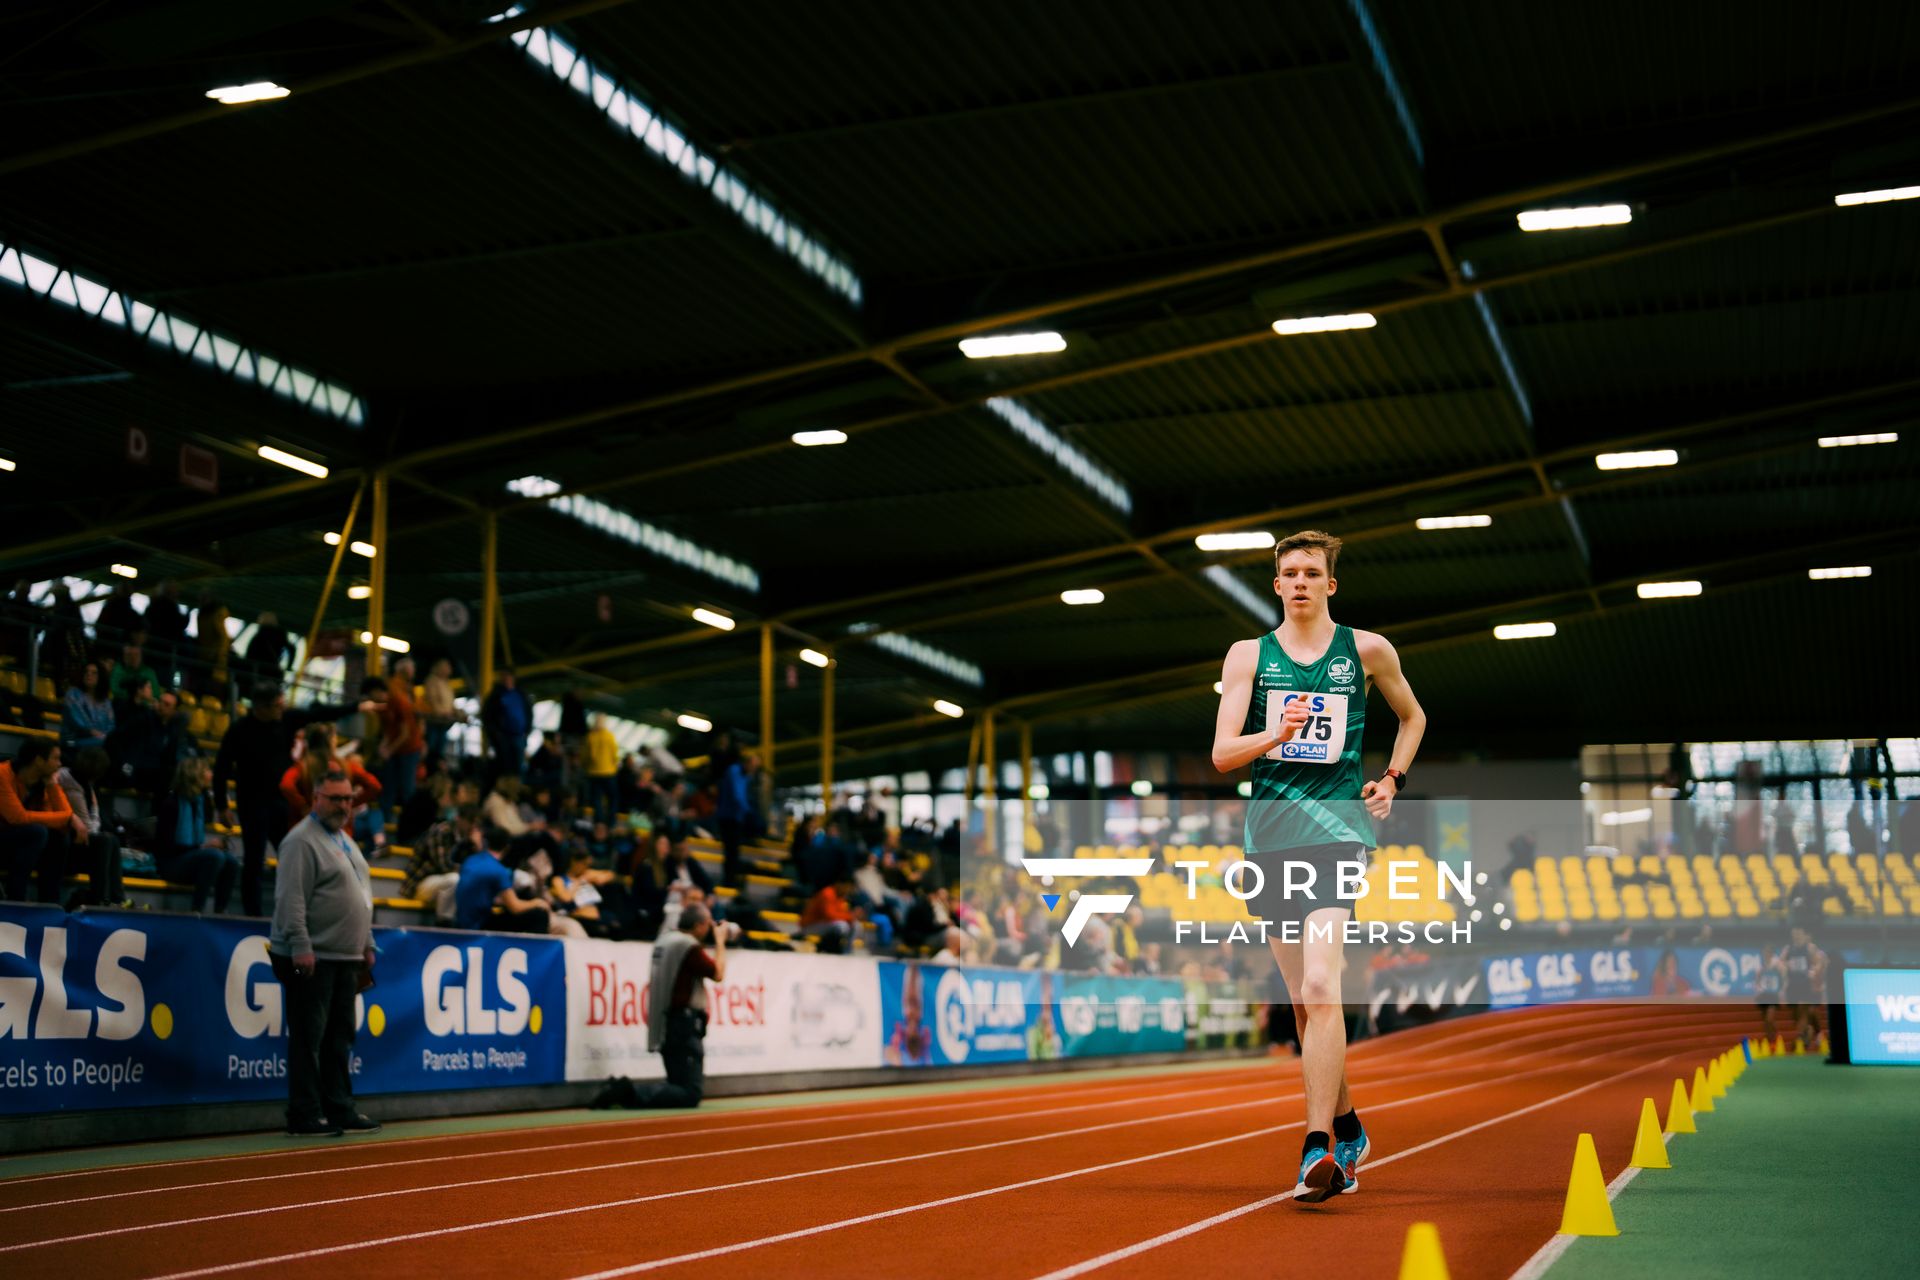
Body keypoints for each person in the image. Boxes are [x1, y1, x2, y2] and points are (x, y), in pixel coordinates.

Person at [1211, 529, 1426, 1203]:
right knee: (1305, 1001)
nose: (1300, 581)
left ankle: (1314, 1150)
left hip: (1337, 832)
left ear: (1331, 584)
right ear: (1276, 585)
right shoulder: (1250, 656)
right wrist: (1273, 734)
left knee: (1322, 984)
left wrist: (1391, 777)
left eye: (1312, 572)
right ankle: (1352, 1126)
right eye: (1290, 573)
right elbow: (1221, 754)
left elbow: (1413, 716)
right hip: (1271, 837)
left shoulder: (1366, 650)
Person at [268, 768, 379, 1137]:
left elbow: (361, 893)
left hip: (345, 957)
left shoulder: (344, 840)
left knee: (339, 1039)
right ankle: (304, 1113)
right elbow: (290, 899)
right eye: (335, 798)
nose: (344, 805)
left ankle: (339, 1107)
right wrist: (301, 945)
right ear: (316, 798)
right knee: (308, 1039)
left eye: (348, 799)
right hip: (314, 956)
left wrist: (367, 943)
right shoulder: (301, 841)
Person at [213, 681, 370, 917]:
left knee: (293, 856)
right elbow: (221, 767)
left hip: (279, 803)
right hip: (251, 801)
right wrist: (222, 805)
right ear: (261, 707)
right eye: (277, 705)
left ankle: (298, 910)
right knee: (254, 860)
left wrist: (356, 706)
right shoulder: (239, 730)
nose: (281, 708)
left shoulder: (286, 720)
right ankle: (252, 914)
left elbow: (320, 712)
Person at [591, 902, 736, 1110]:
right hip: (683, 1024)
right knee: (689, 1092)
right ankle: (626, 1090)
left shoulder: (665, 940)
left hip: (666, 1021)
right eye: (708, 925)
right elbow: (718, 973)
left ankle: (624, 1091)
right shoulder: (688, 946)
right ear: (700, 925)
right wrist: (721, 941)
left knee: (677, 1085)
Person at [2, 740, 90, 903]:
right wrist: (70, 817)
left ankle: (50, 902)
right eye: (55, 759)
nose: (60, 764)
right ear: (39, 760)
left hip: (21, 843)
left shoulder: (44, 782)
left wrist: (53, 785)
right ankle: (15, 899)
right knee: (36, 832)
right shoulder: (3, 774)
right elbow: (17, 817)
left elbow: (62, 817)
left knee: (58, 836)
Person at [155, 759, 241, 913]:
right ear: (195, 775)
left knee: (231, 861)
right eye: (207, 771)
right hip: (171, 862)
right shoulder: (171, 803)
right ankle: (197, 910)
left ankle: (220, 911)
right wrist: (204, 847)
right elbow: (166, 846)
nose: (211, 775)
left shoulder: (201, 801)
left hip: (191, 858)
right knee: (214, 856)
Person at [56, 745, 124, 908]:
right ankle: (100, 899)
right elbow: (88, 826)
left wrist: (94, 808)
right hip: (65, 846)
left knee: (111, 839)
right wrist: (94, 808)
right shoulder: (71, 784)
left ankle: (116, 899)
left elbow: (94, 818)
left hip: (78, 843)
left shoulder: (84, 783)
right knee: (103, 841)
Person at [453, 826, 551, 933]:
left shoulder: (470, 860)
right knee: (539, 914)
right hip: (478, 924)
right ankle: (534, 948)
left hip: (461, 919)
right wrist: (537, 902)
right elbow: (515, 907)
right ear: (507, 847)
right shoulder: (498, 870)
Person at [401, 804, 479, 924]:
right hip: (421, 883)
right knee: (454, 879)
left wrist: (477, 847)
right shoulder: (441, 831)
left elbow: (477, 867)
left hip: (441, 884)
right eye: (470, 821)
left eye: (475, 823)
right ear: (459, 818)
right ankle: (444, 922)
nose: (472, 826)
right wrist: (469, 871)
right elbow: (444, 866)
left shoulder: (467, 839)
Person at [377, 657, 425, 815]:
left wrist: (388, 749)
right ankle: (388, 818)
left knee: (406, 787)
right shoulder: (396, 694)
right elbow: (390, 729)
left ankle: (406, 821)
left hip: (409, 747)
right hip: (400, 746)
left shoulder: (400, 698)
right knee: (393, 785)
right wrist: (385, 746)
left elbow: (404, 732)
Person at [1776, 925, 1827, 1047]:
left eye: (1799, 933)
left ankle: (1802, 1035)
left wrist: (1814, 972)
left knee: (1805, 1008)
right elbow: (1780, 962)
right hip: (1793, 985)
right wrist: (1784, 967)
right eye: (1794, 934)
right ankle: (1808, 1031)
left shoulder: (1809, 948)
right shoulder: (1788, 949)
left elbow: (1819, 962)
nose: (1796, 936)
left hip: (1806, 984)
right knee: (1797, 1012)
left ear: (1804, 935)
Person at [715, 750, 760, 885]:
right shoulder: (734, 771)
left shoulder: (746, 776)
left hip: (737, 818)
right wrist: (749, 812)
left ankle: (732, 878)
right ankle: (728, 880)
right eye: (753, 765)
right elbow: (737, 795)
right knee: (730, 851)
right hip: (728, 817)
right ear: (747, 762)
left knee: (734, 851)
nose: (754, 769)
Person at [481, 671, 531, 783]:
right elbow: (488, 715)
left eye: (509, 677)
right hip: (503, 737)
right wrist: (495, 734)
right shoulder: (496, 695)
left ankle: (516, 788)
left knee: (518, 765)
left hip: (519, 736)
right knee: (505, 765)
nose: (507, 680)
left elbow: (528, 713)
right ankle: (506, 788)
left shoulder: (521, 694)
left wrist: (527, 731)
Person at [61, 660, 116, 754]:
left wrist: (105, 735)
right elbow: (76, 722)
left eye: (94, 673)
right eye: (86, 671)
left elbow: (110, 724)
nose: (89, 674)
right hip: (74, 740)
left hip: (100, 740)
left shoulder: (105, 701)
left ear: (100, 677)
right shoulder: (73, 694)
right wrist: (93, 733)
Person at [420, 658, 462, 763]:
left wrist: (458, 713)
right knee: (432, 749)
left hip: (444, 722)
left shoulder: (446, 683)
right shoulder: (431, 681)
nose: (449, 669)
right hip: (434, 721)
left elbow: (451, 703)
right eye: (446, 666)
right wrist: (442, 712)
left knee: (440, 750)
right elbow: (432, 700)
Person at [584, 714, 621, 822]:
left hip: (593, 772)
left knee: (596, 799)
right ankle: (611, 820)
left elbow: (586, 756)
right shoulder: (609, 736)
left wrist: (586, 767)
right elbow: (615, 755)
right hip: (609, 772)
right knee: (613, 798)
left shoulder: (590, 736)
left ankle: (599, 822)